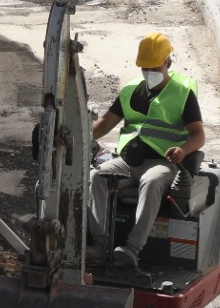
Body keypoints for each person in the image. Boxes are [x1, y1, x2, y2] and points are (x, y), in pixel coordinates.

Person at [88, 32, 205, 270]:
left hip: (163, 163)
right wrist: (72, 132)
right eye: (145, 67)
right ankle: (100, 246)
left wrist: (183, 151)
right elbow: (102, 126)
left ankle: (131, 250)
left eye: (155, 67)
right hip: (128, 162)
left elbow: (198, 135)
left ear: (168, 64)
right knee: (96, 176)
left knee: (151, 182)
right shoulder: (130, 91)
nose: (149, 72)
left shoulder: (183, 94)